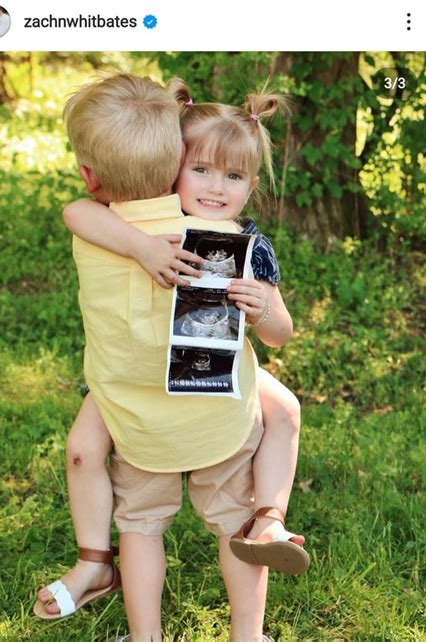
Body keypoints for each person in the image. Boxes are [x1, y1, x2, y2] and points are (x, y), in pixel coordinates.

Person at [34, 73, 273, 642]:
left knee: (140, 527)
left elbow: (77, 211)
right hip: (216, 418)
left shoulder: (98, 229)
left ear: (90, 176)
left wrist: (140, 246)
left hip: (136, 422)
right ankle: (247, 634)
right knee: (235, 526)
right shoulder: (220, 235)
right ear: (177, 162)